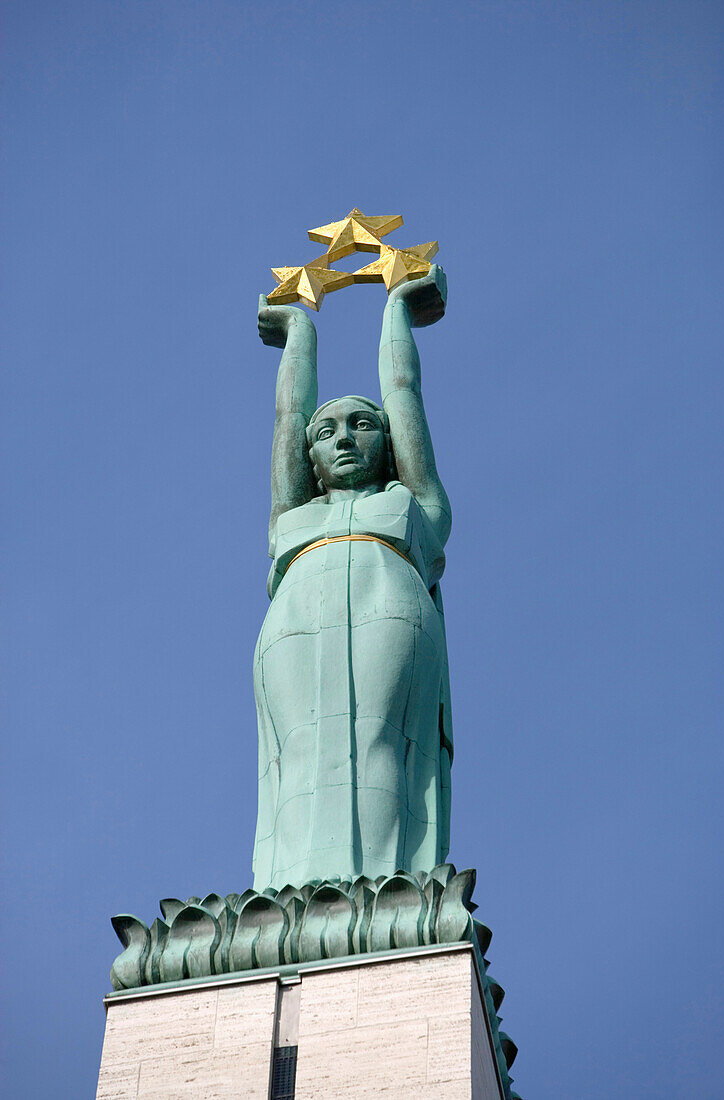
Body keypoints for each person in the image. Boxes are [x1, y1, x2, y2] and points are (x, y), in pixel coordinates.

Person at [252, 265, 453, 891]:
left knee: (379, 741)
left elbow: (403, 391)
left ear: (387, 442)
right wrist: (298, 334)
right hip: (295, 621)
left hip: (387, 603)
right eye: (327, 432)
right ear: (310, 457)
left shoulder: (415, 509)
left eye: (362, 426)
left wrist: (397, 310)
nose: (343, 438)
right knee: (300, 752)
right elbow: (289, 413)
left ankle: (388, 886)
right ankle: (286, 894)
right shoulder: (295, 515)